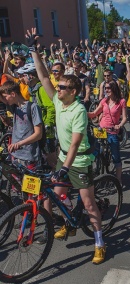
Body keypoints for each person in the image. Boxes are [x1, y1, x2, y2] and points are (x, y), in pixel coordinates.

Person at [27, 28, 105, 264]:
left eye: (61, 87)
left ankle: (99, 242)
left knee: (89, 202)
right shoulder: (59, 103)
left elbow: (75, 142)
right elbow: (42, 77)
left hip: (79, 160)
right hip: (64, 158)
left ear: (72, 91)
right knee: (58, 195)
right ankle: (70, 222)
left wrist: (64, 167)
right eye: (57, 87)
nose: (56, 89)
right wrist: (33, 51)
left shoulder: (78, 109)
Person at [16, 63, 57, 169]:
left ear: (31, 76)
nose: (22, 79)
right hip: (39, 129)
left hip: (47, 131)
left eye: (24, 75)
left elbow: (51, 107)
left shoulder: (42, 89)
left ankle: (59, 180)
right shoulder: (33, 90)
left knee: (50, 158)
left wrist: (48, 124)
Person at [88, 80, 126, 183]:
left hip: (112, 130)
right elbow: (94, 113)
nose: (106, 90)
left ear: (114, 89)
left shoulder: (121, 102)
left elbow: (124, 118)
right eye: (105, 88)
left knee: (115, 156)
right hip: (101, 130)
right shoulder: (104, 101)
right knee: (95, 152)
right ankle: (96, 169)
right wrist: (82, 113)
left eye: (108, 88)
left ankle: (118, 180)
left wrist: (120, 125)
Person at [0, 81, 43, 171]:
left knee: (28, 184)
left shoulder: (33, 107)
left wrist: (19, 144)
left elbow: (38, 134)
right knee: (15, 184)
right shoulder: (14, 108)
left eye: (5, 97)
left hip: (29, 156)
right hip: (15, 155)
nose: (4, 100)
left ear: (13, 94)